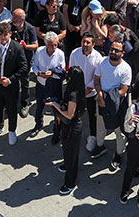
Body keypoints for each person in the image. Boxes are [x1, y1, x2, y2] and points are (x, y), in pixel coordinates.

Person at [94, 30, 133, 168]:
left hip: (117, 103)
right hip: (101, 99)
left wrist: (107, 100)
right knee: (100, 126)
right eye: (112, 49)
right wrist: (100, 96)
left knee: (119, 131)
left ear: (122, 53)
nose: (113, 52)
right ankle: (99, 146)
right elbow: (96, 80)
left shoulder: (126, 69)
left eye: (117, 50)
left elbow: (123, 90)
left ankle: (119, 153)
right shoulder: (102, 62)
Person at [0, 20, 28, 144]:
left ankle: (12, 131)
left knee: (11, 108)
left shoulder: (17, 47)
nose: (2, 37)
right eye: (0, 34)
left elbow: (24, 67)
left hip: (10, 86)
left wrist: (10, 80)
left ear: (10, 34)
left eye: (5, 34)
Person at [50, 66, 86, 196]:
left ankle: (70, 183)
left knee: (71, 154)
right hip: (71, 126)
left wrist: (55, 106)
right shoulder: (77, 90)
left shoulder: (73, 94)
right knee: (67, 151)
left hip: (72, 127)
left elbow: (69, 114)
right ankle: (67, 166)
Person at [30, 31, 66, 138]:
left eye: (56, 44)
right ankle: (38, 125)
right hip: (41, 84)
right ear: (46, 44)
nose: (54, 47)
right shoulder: (39, 51)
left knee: (57, 109)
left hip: (55, 86)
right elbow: (34, 64)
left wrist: (53, 72)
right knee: (39, 106)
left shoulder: (60, 54)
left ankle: (57, 130)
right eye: (51, 45)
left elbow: (62, 70)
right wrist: (39, 73)